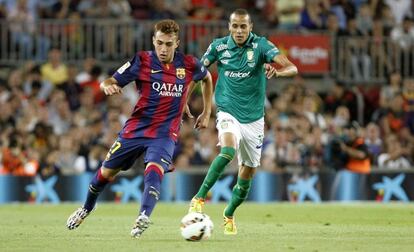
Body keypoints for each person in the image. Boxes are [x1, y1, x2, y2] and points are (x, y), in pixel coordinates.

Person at [66, 19, 213, 238]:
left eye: (168, 44)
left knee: (154, 171)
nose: (163, 49)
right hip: (136, 128)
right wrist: (109, 86)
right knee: (105, 173)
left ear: (177, 43)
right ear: (154, 41)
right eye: (160, 43)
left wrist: (207, 111)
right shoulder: (142, 60)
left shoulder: (189, 64)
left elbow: (207, 77)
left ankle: (143, 217)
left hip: (165, 132)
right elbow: (109, 80)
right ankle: (86, 208)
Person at [188, 9, 298, 235]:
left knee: (246, 176)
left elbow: (292, 68)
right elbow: (197, 72)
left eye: (243, 27)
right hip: (228, 111)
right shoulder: (218, 47)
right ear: (229, 27)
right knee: (228, 151)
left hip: (255, 120)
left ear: (250, 28)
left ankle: (228, 214)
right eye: (235, 26)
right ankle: (199, 198)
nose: (239, 31)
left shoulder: (261, 46)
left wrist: (277, 73)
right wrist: (188, 103)